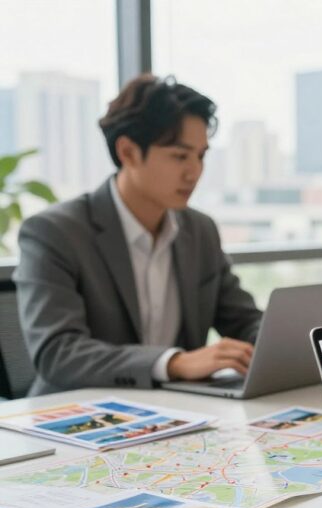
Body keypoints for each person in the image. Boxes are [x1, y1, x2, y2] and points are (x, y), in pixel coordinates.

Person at [14, 74, 263, 396]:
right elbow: (59, 352)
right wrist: (173, 363)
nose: (194, 172)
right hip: (80, 417)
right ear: (128, 152)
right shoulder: (55, 233)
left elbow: (242, 320)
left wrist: (278, 344)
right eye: (179, 156)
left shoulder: (199, 231)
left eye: (200, 156)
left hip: (181, 414)